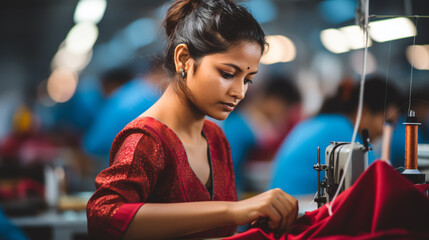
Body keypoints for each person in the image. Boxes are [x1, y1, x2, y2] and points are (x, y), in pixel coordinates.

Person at [86, 0, 298, 239]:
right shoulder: (146, 140)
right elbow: (103, 216)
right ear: (184, 59)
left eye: (247, 79)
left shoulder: (215, 138)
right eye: (227, 74)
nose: (240, 92)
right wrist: (233, 210)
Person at [269, 76, 402, 196]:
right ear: (364, 111)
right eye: (387, 122)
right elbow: (383, 181)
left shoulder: (323, 122)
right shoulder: (342, 131)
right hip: (291, 214)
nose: (388, 131)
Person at [222, 76, 302, 194]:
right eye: (284, 108)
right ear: (273, 99)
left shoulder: (262, 124)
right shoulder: (238, 127)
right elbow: (227, 169)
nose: (283, 114)